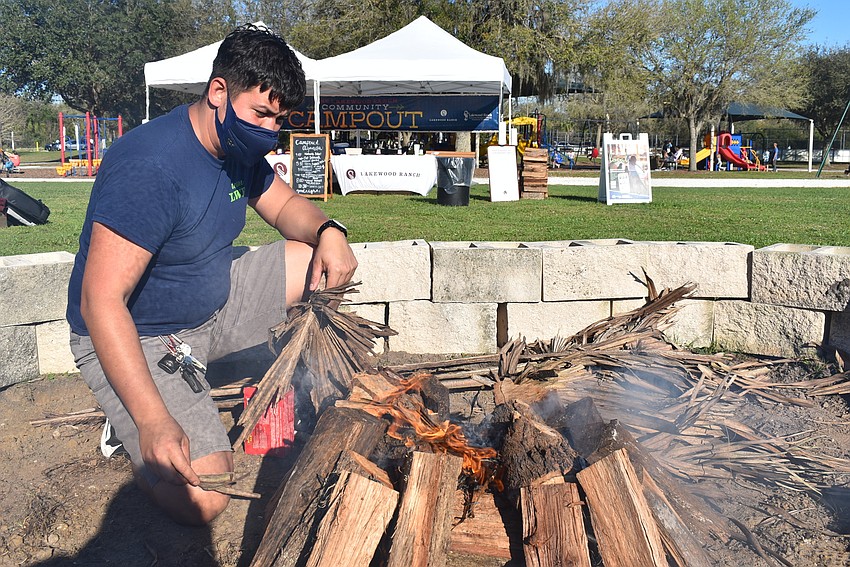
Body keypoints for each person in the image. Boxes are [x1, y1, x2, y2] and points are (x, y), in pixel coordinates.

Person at [65, 24, 357, 526]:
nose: (270, 129)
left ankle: (213, 379)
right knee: (204, 499)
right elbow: (101, 302)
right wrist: (155, 421)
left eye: (279, 119)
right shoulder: (152, 166)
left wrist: (330, 229)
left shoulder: (237, 150)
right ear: (218, 92)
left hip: (212, 304)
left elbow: (286, 206)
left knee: (313, 263)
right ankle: (131, 417)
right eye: (261, 113)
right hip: (142, 336)